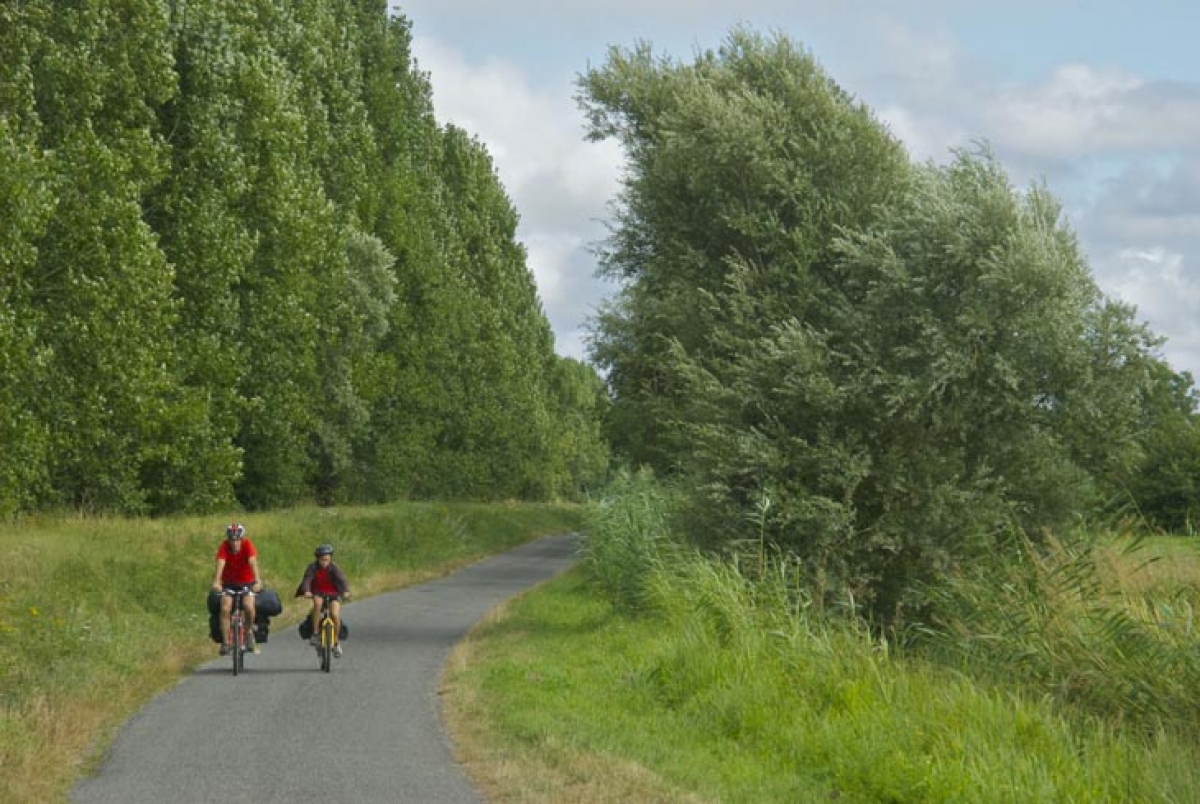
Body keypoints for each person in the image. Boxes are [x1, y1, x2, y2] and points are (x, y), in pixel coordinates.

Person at [211, 522, 264, 655]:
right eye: (232, 540)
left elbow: (252, 562)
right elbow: (220, 563)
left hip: (246, 583)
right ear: (228, 540)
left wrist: (257, 580)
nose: (235, 543)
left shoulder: (247, 545)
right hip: (229, 583)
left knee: (249, 606)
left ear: (242, 539)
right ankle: (225, 642)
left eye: (237, 540)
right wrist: (217, 581)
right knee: (225, 608)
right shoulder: (224, 547)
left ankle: (249, 631)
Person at [296, 543, 351, 658]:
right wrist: (306, 591)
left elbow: (342, 580)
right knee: (317, 603)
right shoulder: (312, 568)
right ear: (318, 559)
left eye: (327, 559)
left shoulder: (334, 568)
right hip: (318, 593)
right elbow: (307, 579)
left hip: (334, 594)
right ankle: (315, 633)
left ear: (330, 558)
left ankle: (336, 642)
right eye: (322, 560)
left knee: (334, 614)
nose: (325, 562)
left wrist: (345, 591)